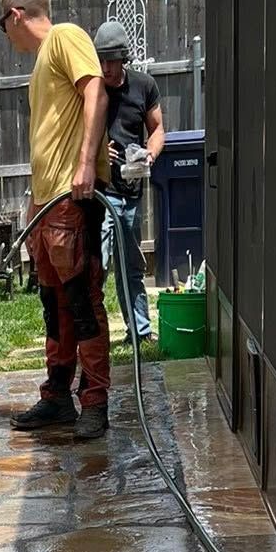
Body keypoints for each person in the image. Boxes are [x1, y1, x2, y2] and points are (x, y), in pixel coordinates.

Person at [0, 0, 111, 440]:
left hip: (71, 198)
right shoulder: (42, 63)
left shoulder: (66, 37)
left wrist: (86, 164)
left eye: (3, 23)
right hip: (47, 204)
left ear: (17, 15)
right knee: (54, 304)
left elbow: (96, 91)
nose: (5, 33)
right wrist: (34, 202)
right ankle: (58, 398)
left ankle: (95, 402)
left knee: (81, 301)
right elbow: (48, 138)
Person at [94, 19, 164, 345]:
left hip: (132, 189)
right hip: (101, 191)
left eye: (111, 60)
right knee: (98, 263)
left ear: (123, 58)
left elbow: (157, 129)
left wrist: (149, 154)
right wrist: (96, 149)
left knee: (131, 264)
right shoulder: (91, 88)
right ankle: (91, 336)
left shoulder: (143, 86)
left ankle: (139, 332)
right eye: (101, 60)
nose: (106, 67)